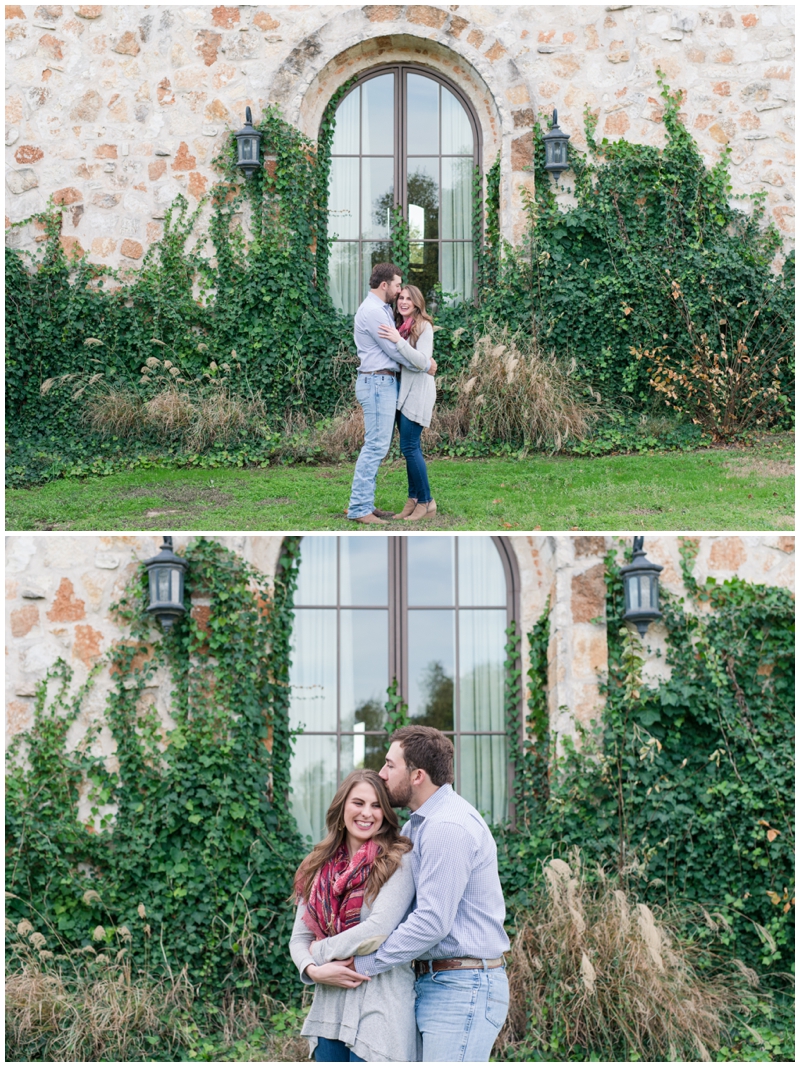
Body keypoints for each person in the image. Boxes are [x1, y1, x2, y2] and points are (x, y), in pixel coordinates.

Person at [351, 726, 511, 1062]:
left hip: (462, 986)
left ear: (418, 775)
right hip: (435, 981)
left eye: (390, 765)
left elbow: (431, 922)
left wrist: (362, 964)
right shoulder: (417, 826)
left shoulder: (447, 827)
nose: (381, 774)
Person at [289, 769, 419, 1062]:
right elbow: (299, 939)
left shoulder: (398, 860)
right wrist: (314, 971)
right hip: (330, 1005)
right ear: (343, 806)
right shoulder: (317, 866)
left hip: (381, 1006)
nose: (367, 813)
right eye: (358, 803)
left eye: (376, 806)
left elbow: (377, 929)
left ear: (386, 813)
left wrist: (320, 951)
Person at [347, 264, 437, 526]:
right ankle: (360, 507)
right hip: (377, 382)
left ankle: (368, 503)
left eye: (407, 294)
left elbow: (404, 346)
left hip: (384, 383)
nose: (400, 293)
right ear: (384, 285)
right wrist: (424, 363)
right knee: (375, 446)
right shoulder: (375, 311)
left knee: (383, 446)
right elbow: (394, 351)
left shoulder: (385, 311)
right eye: (398, 286)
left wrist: (421, 359)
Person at [377, 285, 437, 522]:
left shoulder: (423, 326)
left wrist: (398, 342)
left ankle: (426, 502)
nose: (403, 302)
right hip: (402, 393)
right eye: (401, 298)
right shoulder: (399, 327)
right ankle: (413, 500)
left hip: (418, 392)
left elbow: (422, 362)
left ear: (417, 303)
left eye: (409, 299)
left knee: (410, 447)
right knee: (409, 448)